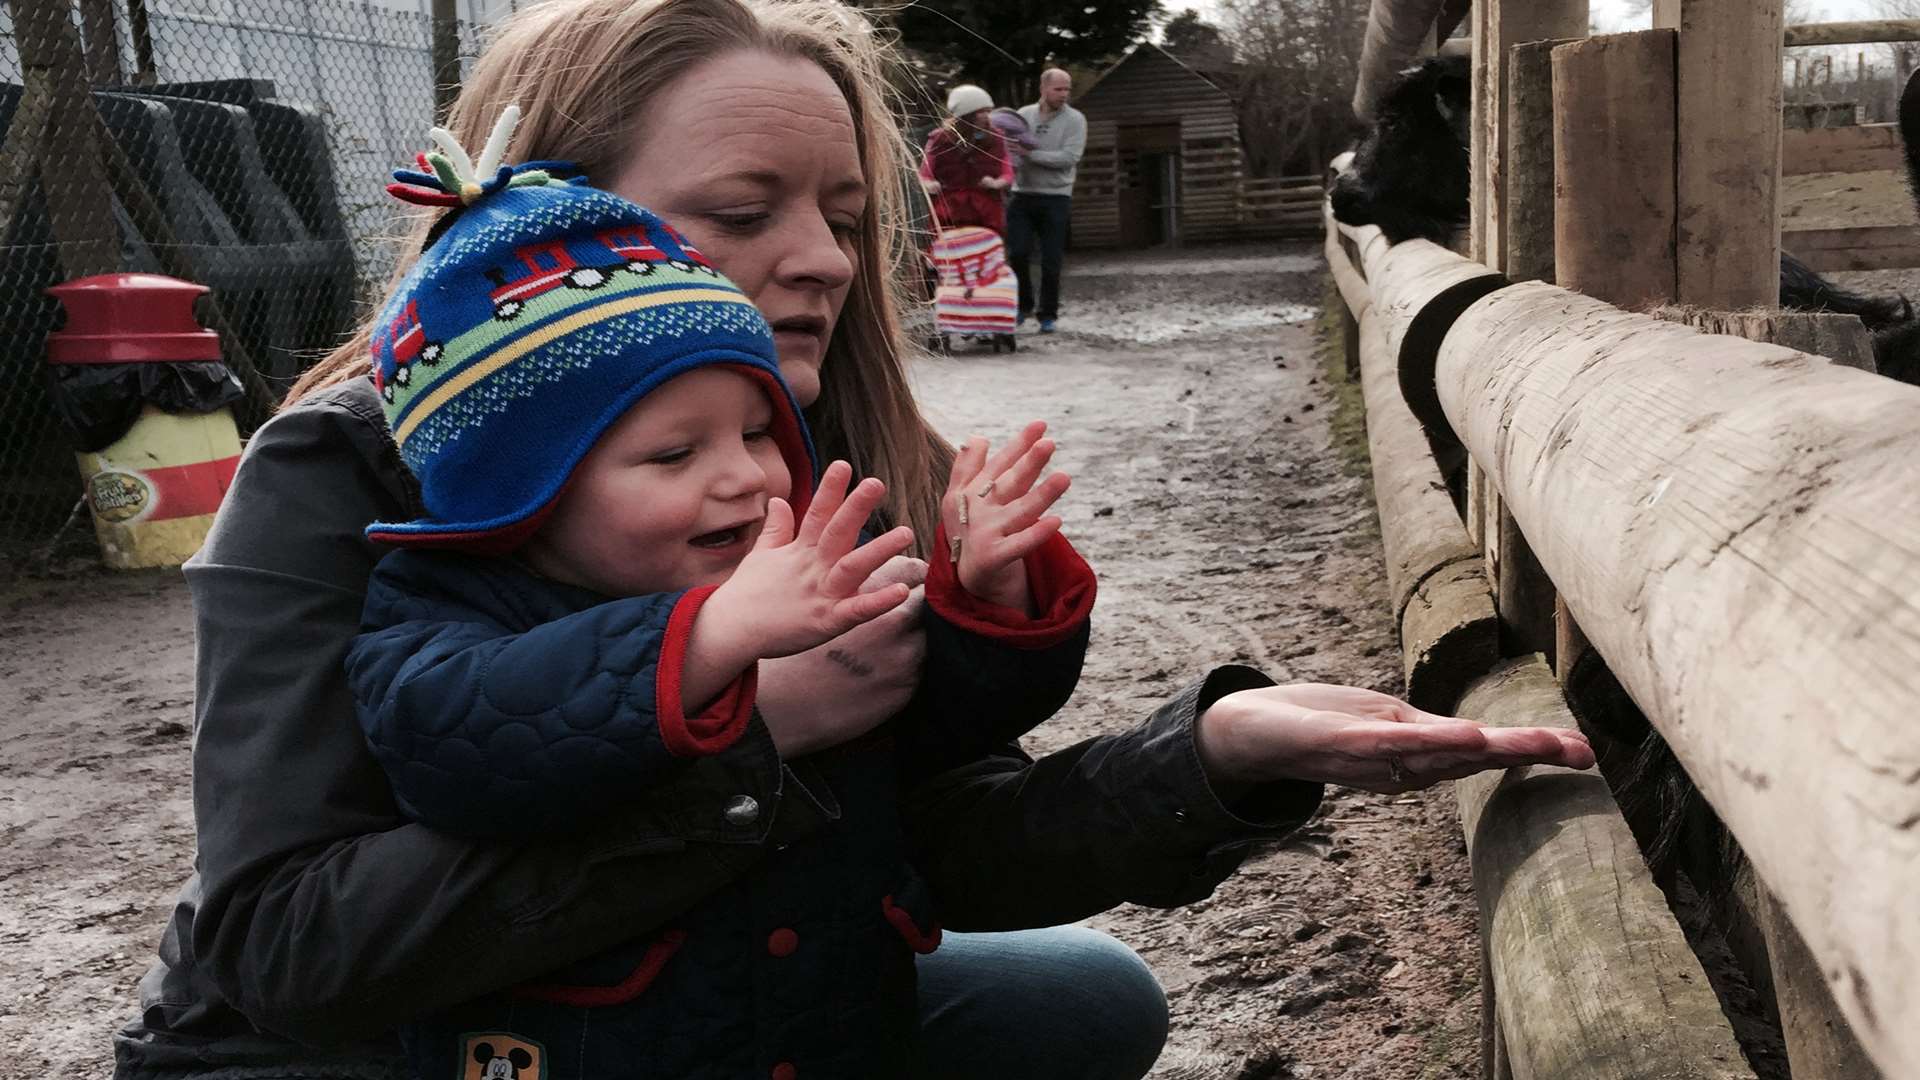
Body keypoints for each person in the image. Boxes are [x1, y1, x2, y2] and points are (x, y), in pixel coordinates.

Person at [110, 2, 1595, 1079]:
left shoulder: (800, 462)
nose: (825, 257)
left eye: (838, 211)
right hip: (367, 1048)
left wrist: (1210, 763)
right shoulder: (337, 473)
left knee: (1088, 1003)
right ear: (542, 233)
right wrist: (744, 742)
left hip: (674, 992)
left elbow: (923, 837)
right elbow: (288, 948)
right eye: (744, 210)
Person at [345, 129, 1091, 1076]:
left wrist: (987, 599)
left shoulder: (782, 558)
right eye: (672, 454)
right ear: (517, 490)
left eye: (756, 429)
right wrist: (712, 641)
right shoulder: (446, 601)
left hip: (827, 1022)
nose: (745, 475)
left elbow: (942, 723)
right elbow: (453, 740)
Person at [1009, 68, 1087, 333]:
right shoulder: (1023, 115)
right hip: (1022, 194)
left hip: (1056, 197)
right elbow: (1012, 150)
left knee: (1051, 259)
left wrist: (1031, 154)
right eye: (1059, 89)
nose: (1064, 94)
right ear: (1043, 88)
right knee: (1017, 253)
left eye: (1067, 89)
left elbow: (1068, 158)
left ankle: (1048, 315)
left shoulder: (1075, 120)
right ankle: (1023, 306)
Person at [921, 84, 1013, 235]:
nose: (986, 116)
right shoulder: (939, 139)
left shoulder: (996, 138)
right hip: (950, 212)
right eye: (980, 112)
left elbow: (1007, 173)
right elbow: (925, 173)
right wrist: (930, 184)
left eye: (987, 111)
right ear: (966, 114)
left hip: (986, 211)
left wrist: (996, 183)